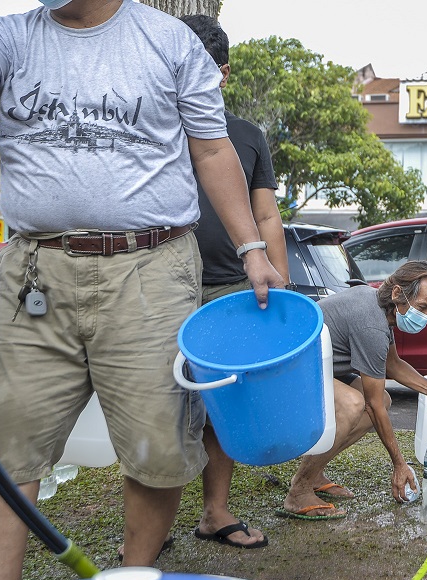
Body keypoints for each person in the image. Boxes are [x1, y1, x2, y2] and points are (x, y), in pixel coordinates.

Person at [0, 0, 283, 580]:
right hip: (34, 271)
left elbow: (211, 149)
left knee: (159, 447)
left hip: (151, 268)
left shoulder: (170, 42)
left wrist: (253, 249)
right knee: (6, 450)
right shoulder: (11, 39)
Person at [181, 14, 288, 549]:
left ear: (221, 74)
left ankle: (215, 511)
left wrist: (279, 275)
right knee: (158, 405)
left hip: (228, 286)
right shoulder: (149, 129)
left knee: (223, 404)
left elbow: (266, 216)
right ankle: (149, 525)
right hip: (158, 282)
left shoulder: (245, 136)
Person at [280, 262, 427, 518]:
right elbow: (370, 404)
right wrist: (399, 464)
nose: (426, 317)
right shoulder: (371, 324)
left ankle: (314, 474)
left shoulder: (378, 306)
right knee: (354, 404)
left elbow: (391, 364)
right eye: (421, 308)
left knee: (382, 400)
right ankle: (299, 491)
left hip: (314, 368)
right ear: (397, 293)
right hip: (289, 372)